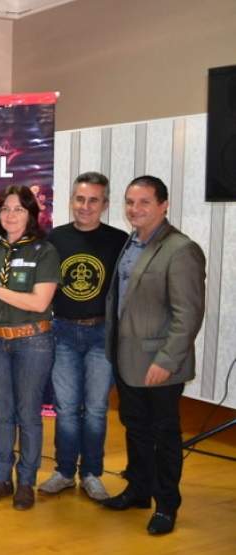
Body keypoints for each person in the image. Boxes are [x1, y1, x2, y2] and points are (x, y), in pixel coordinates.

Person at [102, 176, 206, 536]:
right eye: (130, 202)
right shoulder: (130, 243)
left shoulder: (181, 249)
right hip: (125, 358)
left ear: (163, 205)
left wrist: (166, 360)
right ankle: (139, 490)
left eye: (144, 202)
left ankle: (166, 504)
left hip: (159, 364)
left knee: (164, 434)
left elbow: (188, 314)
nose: (135, 209)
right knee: (136, 429)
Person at [38, 172, 127, 500]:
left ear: (104, 204)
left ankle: (91, 473)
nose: (85, 206)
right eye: (80, 199)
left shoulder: (120, 241)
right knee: (66, 407)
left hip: (100, 335)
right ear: (71, 200)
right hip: (62, 332)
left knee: (96, 409)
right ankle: (63, 471)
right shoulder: (55, 239)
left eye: (93, 200)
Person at [0, 185, 59, 510]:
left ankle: (26, 482)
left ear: (31, 214)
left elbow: (39, 302)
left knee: (28, 414)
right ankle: (0, 477)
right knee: (2, 412)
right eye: (5, 209)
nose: (10, 215)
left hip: (32, 341)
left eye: (18, 209)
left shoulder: (44, 251)